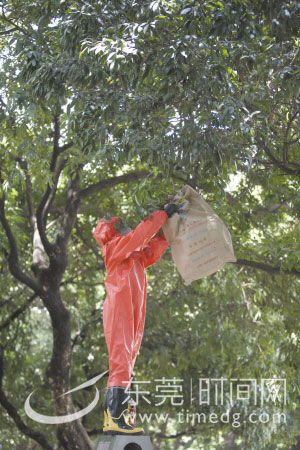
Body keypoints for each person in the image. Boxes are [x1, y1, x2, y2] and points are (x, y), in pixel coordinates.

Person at [93, 204, 179, 435]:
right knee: (121, 361)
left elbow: (151, 248)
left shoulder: (135, 256)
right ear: (112, 231)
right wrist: (160, 215)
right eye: (120, 225)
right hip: (119, 310)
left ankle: (120, 420)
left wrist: (167, 228)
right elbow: (139, 236)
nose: (126, 227)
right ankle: (115, 420)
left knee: (128, 363)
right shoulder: (115, 248)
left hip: (133, 310)